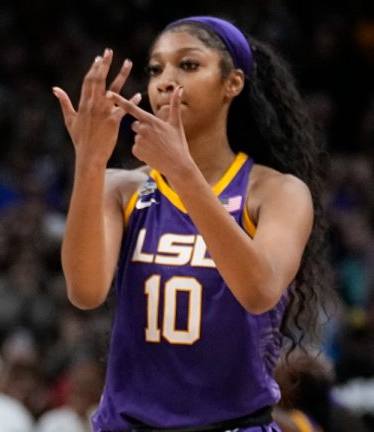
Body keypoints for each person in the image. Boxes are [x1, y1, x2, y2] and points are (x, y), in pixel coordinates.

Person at [53, 15, 330, 431]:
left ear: (232, 84)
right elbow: (85, 291)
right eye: (156, 68)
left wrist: (183, 174)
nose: (166, 80)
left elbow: (260, 291)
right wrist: (90, 163)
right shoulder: (121, 188)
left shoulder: (277, 192)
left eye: (188, 65)